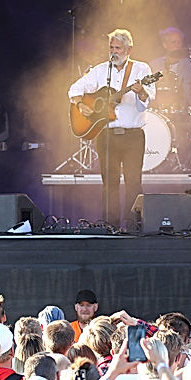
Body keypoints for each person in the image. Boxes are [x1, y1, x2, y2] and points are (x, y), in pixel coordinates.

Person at [68, 29, 156, 230]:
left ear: (129, 49)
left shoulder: (141, 69)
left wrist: (141, 91)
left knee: (134, 182)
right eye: (112, 48)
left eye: (118, 48)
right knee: (110, 183)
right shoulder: (100, 70)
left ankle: (134, 225)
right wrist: (81, 105)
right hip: (107, 135)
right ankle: (110, 226)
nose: (114, 52)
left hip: (133, 135)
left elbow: (148, 100)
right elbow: (74, 88)